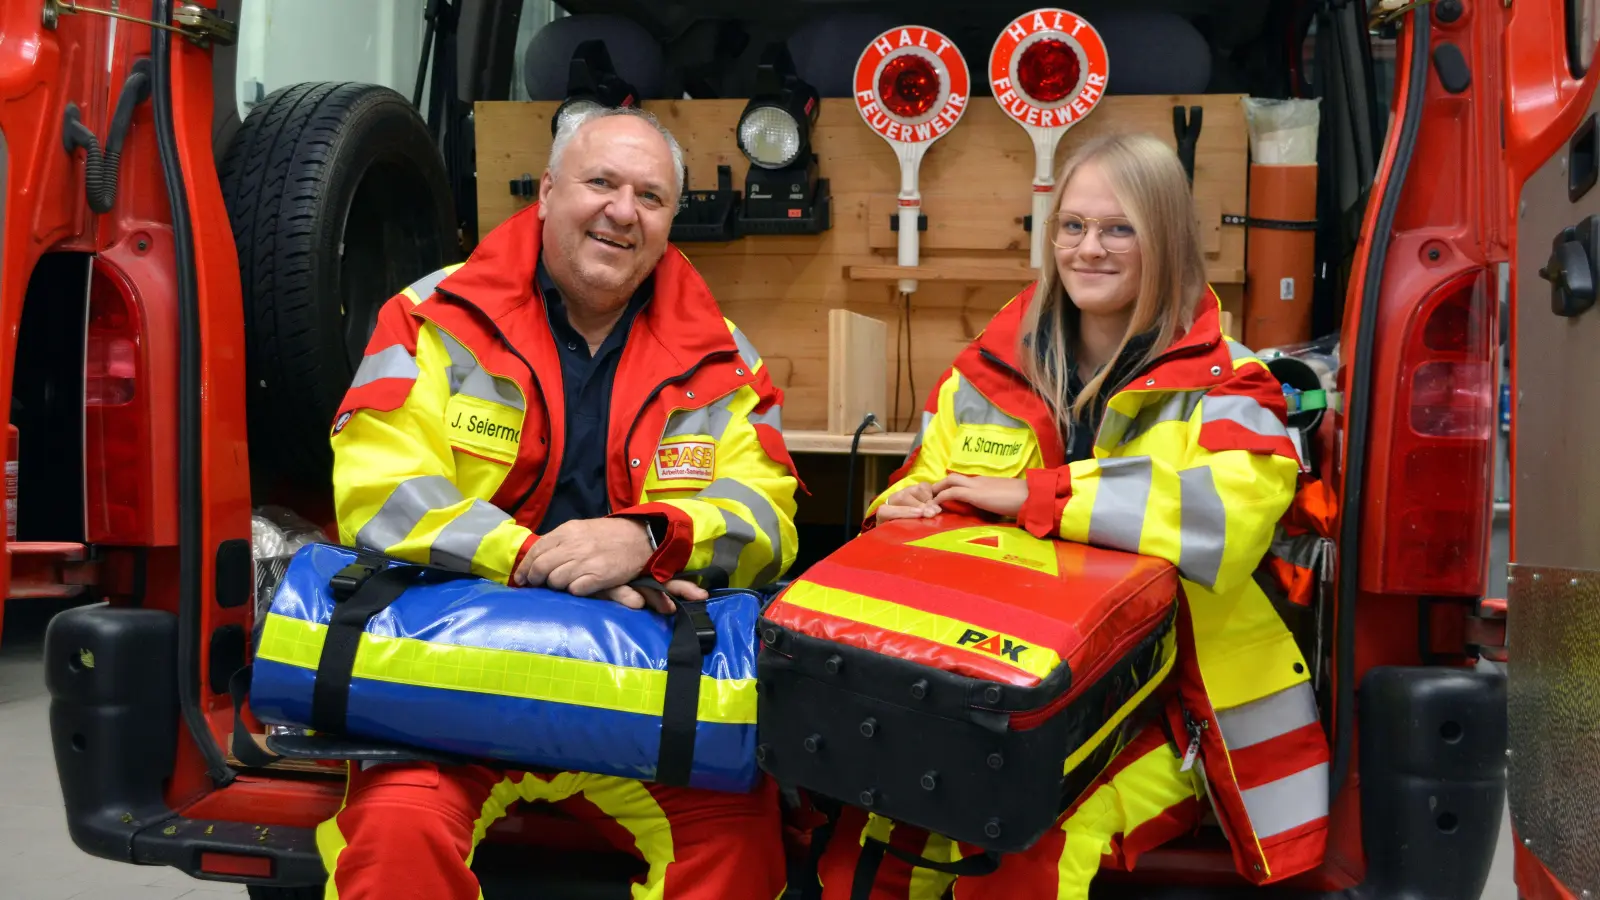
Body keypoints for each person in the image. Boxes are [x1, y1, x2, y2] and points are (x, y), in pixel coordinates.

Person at [815, 132, 1330, 899]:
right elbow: (921, 482)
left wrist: (1037, 497)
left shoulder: (1233, 384)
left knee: (1028, 846)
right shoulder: (983, 373)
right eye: (1073, 226)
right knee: (875, 841)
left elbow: (1223, 521)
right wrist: (903, 507)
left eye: (1120, 228)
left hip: (1172, 705)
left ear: (1166, 241)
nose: (1089, 249)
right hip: (995, 689)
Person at [320, 106, 800, 900]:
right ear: (546, 192)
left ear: (672, 221)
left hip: (641, 689)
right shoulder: (428, 320)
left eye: (650, 196)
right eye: (601, 182)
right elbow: (382, 495)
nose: (622, 210)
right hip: (452, 677)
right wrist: (540, 562)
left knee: (740, 847)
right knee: (394, 837)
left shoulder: (727, 360)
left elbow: (765, 517)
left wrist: (651, 536)